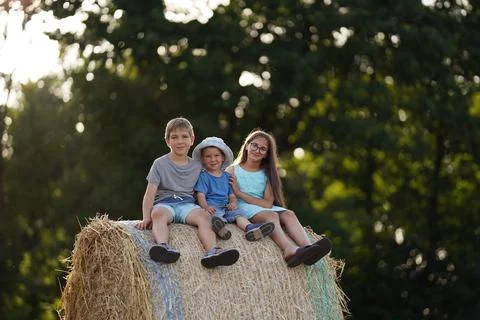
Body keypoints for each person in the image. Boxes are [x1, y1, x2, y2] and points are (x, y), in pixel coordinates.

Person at [135, 117, 239, 269]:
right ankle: (163, 247)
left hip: (187, 205)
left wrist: (232, 189)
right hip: (165, 203)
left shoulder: (197, 166)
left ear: (192, 139)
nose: (180, 141)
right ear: (167, 141)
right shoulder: (159, 163)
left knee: (205, 216)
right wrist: (145, 217)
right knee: (157, 214)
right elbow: (149, 194)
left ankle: (213, 251)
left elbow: (216, 174)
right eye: (174, 137)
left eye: (184, 137)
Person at [226, 130, 332, 267]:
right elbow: (231, 198)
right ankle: (288, 249)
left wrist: (240, 192)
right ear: (247, 146)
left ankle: (309, 249)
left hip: (262, 206)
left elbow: (267, 203)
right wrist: (238, 195)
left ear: (266, 154)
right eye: (254, 145)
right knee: (272, 216)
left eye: (263, 149)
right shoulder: (232, 170)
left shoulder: (267, 173)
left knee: (289, 214)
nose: (257, 150)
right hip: (242, 207)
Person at [192, 136, 275, 241]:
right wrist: (206, 207)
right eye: (208, 156)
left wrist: (233, 203)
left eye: (216, 155)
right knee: (212, 217)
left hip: (226, 207)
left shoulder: (227, 176)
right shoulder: (204, 176)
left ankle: (250, 228)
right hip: (212, 207)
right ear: (203, 159)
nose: (213, 159)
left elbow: (232, 195)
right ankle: (220, 229)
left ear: (223, 158)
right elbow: (201, 195)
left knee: (239, 215)